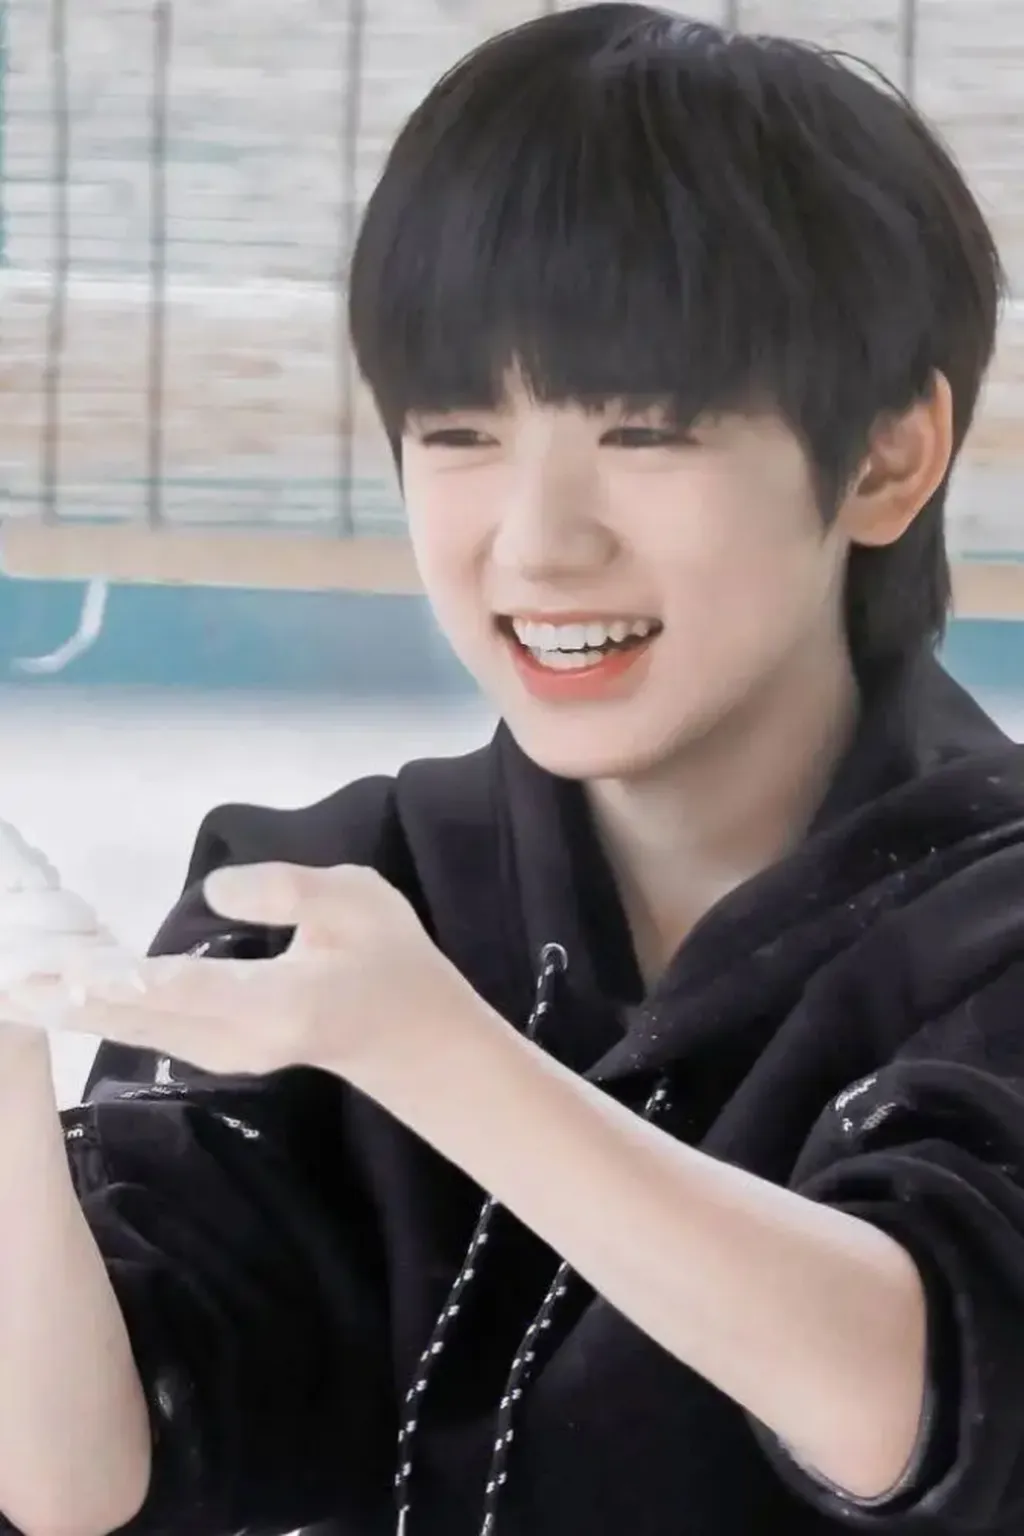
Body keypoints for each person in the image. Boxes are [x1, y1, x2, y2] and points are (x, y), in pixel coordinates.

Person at [2, 4, 1024, 1533]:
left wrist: (431, 1053)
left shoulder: (993, 926)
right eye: (461, 432)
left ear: (887, 458)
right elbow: (80, 1483)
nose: (538, 544)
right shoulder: (330, 892)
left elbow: (931, 1404)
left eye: (646, 434)